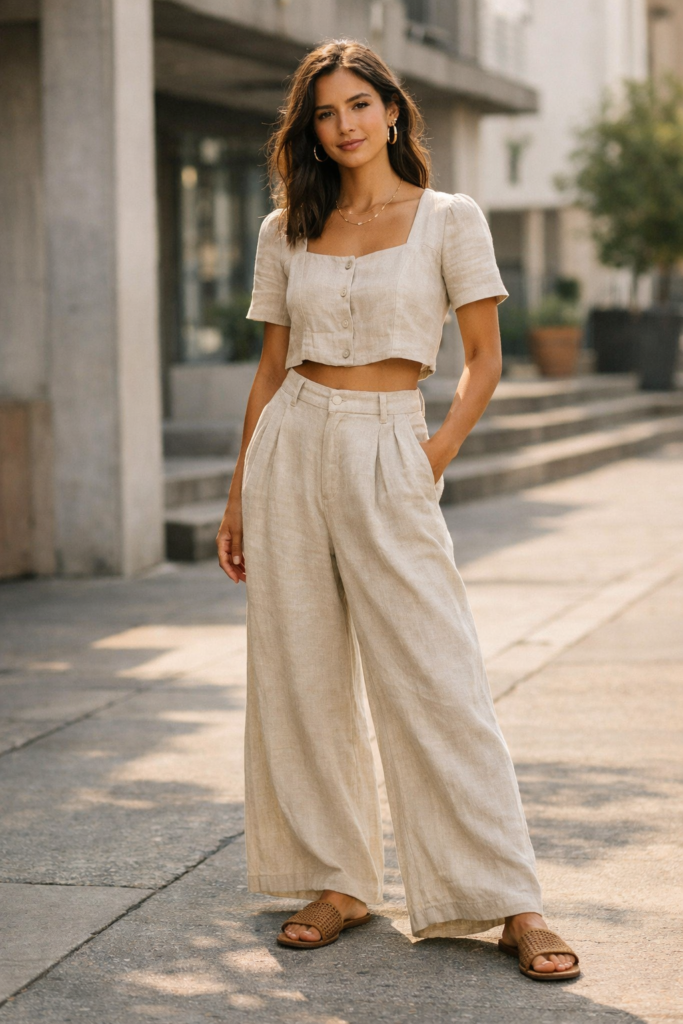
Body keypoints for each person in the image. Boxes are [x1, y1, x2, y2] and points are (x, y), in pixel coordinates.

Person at [216, 38, 579, 982]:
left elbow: (483, 359)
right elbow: (267, 371)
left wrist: (432, 455)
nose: (342, 126)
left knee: (436, 674)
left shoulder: (447, 219)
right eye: (325, 112)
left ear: (391, 109)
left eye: (358, 106)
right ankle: (336, 881)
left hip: (391, 440)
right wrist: (237, 497)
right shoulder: (284, 227)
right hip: (290, 443)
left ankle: (508, 900)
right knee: (298, 670)